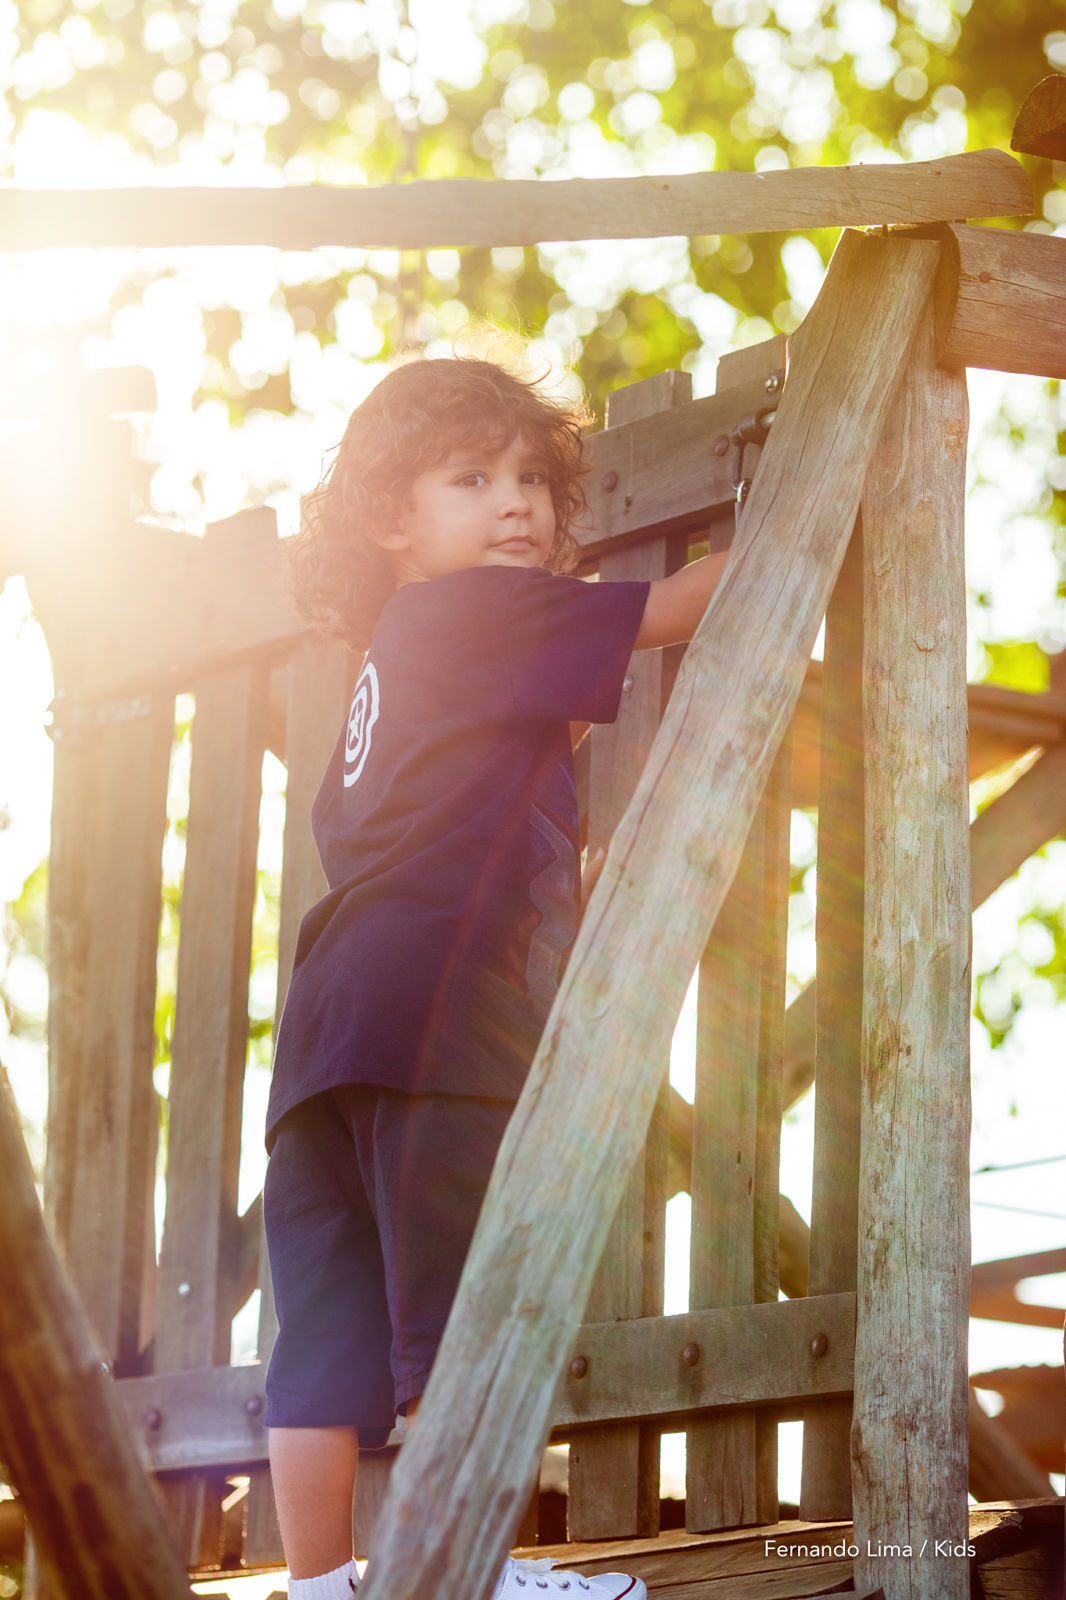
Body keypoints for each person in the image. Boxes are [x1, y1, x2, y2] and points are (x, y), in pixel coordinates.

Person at [263, 353, 730, 1600]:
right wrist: (789, 525)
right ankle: (467, 1570)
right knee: (459, 1315)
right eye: (471, 478)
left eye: (532, 479)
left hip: (325, 1036)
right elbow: (680, 607)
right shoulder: (468, 610)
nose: (516, 505)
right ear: (390, 521)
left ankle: (316, 1585)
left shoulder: (394, 663)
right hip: (433, 1014)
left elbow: (523, 752)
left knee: (321, 1332)